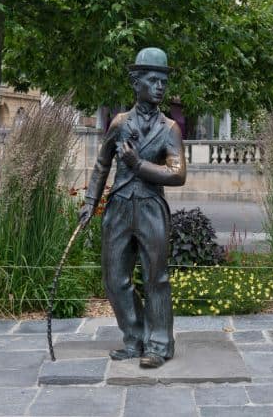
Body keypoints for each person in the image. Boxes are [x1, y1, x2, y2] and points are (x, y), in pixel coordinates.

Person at [78, 47, 186, 368]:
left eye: (163, 81)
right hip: (119, 208)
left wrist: (138, 165)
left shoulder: (170, 128)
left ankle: (159, 345)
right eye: (153, 80)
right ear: (136, 83)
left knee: (156, 279)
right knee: (114, 278)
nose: (160, 86)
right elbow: (102, 164)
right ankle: (135, 337)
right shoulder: (120, 123)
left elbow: (177, 174)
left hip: (152, 208)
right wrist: (89, 202)